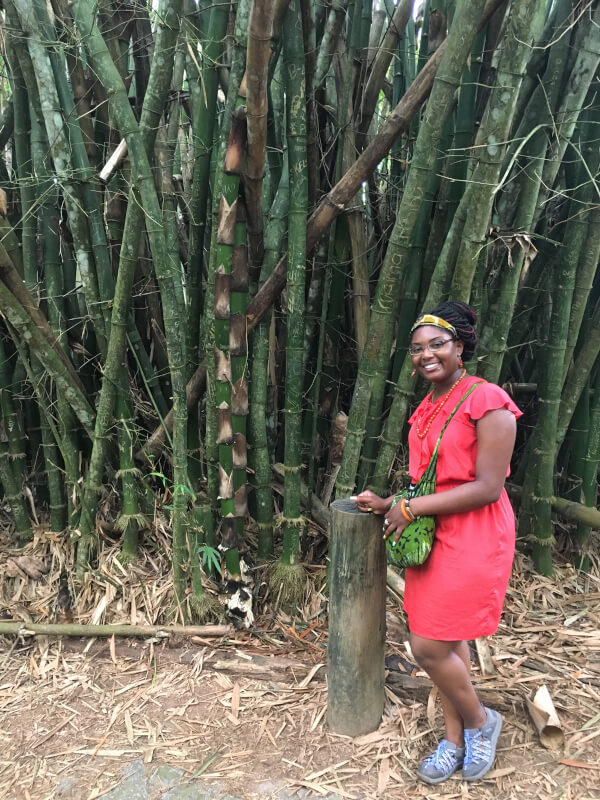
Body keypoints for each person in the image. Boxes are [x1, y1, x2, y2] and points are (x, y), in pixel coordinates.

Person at [356, 301, 522, 785]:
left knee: (426, 645)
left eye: (437, 344)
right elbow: (429, 480)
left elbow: (487, 486)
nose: (426, 355)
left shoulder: (487, 400)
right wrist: (390, 502)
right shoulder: (428, 405)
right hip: (432, 532)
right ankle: (454, 740)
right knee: (449, 642)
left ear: (461, 346)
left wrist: (409, 510)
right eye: (417, 348)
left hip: (474, 533)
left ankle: (480, 722)